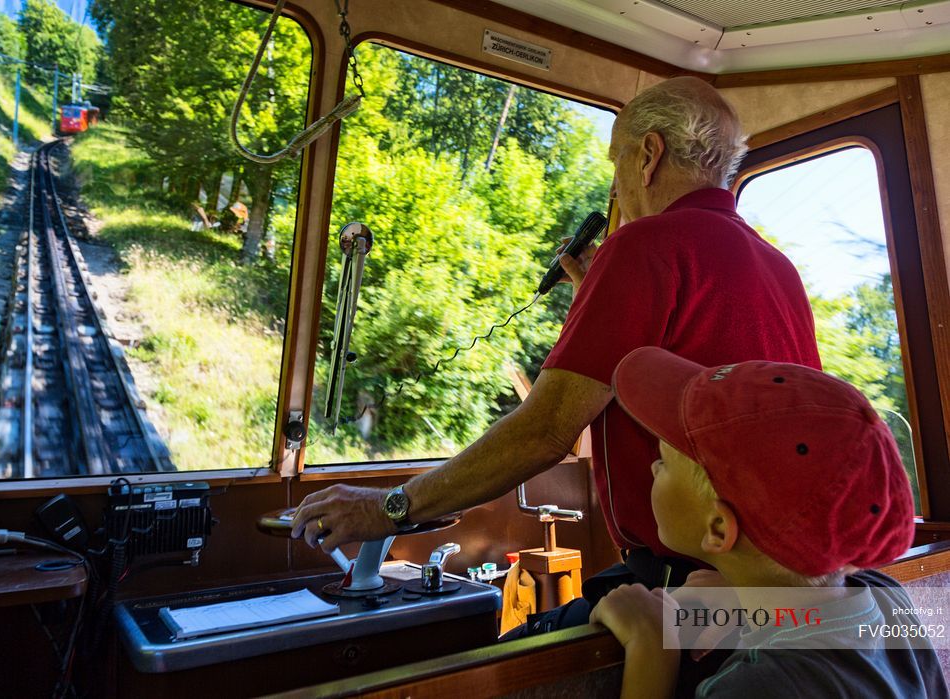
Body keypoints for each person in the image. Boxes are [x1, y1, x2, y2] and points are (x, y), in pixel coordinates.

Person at [291, 76, 821, 606]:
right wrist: (599, 304)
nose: (616, 188)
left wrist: (387, 507)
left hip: (685, 588)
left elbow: (545, 432)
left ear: (649, 154)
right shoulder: (781, 268)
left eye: (618, 163)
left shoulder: (641, 245)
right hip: (775, 587)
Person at [592, 346, 948, 698]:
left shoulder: (761, 686)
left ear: (718, 528)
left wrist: (650, 648)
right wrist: (748, 596)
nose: (653, 467)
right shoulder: (887, 600)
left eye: (665, 461)